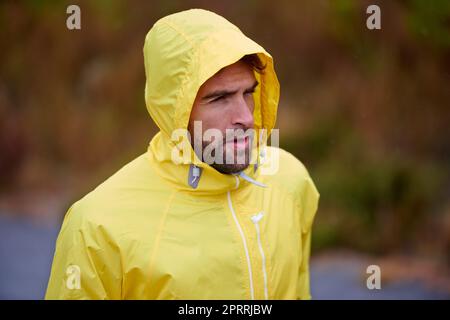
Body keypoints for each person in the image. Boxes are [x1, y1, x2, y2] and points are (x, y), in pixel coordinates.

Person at [45, 8, 319, 300]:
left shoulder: (290, 181)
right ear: (176, 109)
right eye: (220, 98)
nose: (246, 117)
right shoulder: (96, 226)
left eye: (248, 94)